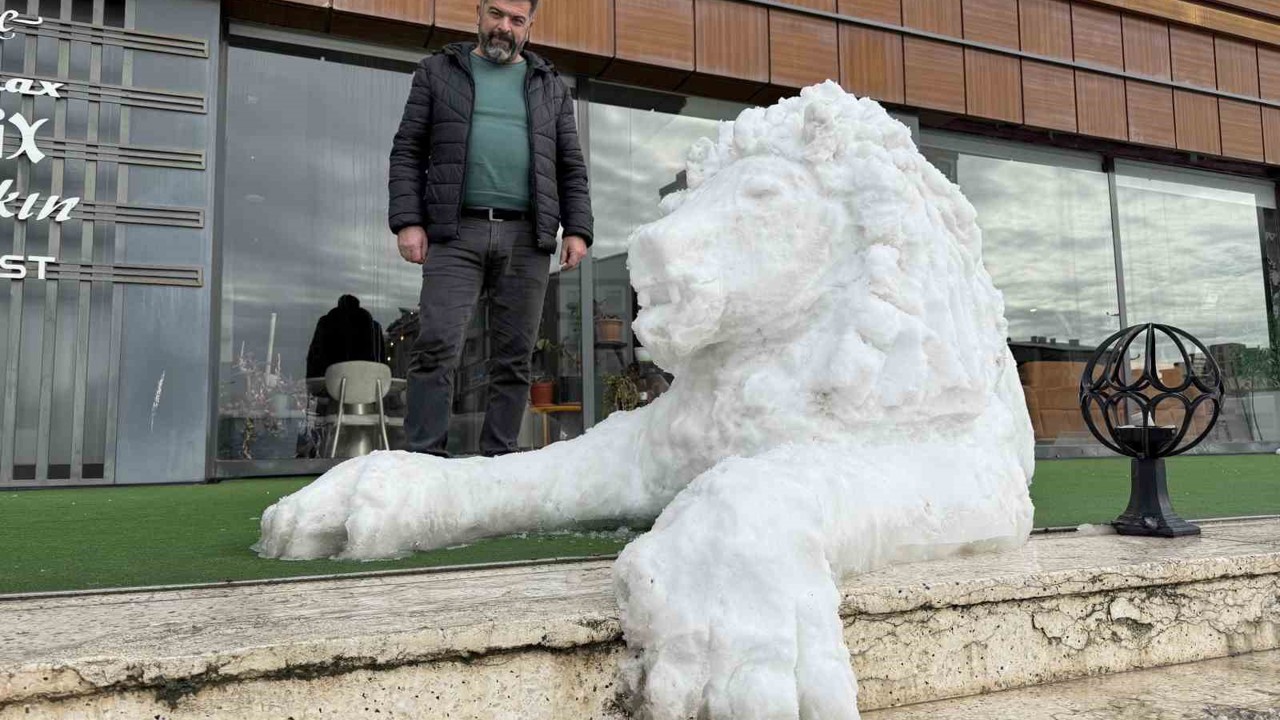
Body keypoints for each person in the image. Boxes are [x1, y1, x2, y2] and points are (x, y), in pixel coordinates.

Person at [388, 0, 593, 457]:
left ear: (529, 27)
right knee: (437, 344)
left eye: (516, 20)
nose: (504, 27)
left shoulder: (551, 87)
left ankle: (498, 462)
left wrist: (577, 229)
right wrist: (408, 221)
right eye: (497, 14)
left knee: (514, 357)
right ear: (478, 14)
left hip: (527, 237)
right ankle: (424, 459)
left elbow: (570, 167)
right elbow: (408, 150)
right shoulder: (438, 72)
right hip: (455, 231)